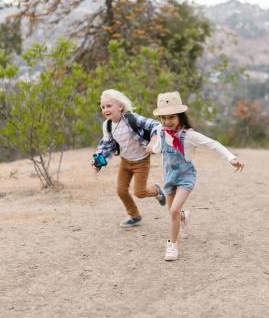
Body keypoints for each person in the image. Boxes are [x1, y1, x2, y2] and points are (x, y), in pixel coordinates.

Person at [148, 91, 244, 261]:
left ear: (180, 117)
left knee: (174, 209)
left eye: (171, 117)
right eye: (163, 118)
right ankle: (184, 218)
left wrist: (231, 158)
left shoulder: (189, 136)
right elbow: (157, 148)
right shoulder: (160, 131)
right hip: (169, 176)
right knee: (173, 213)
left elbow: (213, 144)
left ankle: (172, 245)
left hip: (186, 176)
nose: (167, 122)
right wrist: (151, 147)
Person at [91, 89, 166, 228]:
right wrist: (99, 162)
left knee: (140, 192)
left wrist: (154, 139)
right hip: (125, 162)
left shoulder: (132, 119)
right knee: (121, 190)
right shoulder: (107, 125)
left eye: (109, 106)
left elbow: (156, 125)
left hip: (141, 161)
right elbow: (107, 145)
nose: (105, 109)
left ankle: (156, 190)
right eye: (102, 107)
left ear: (120, 106)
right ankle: (134, 216)